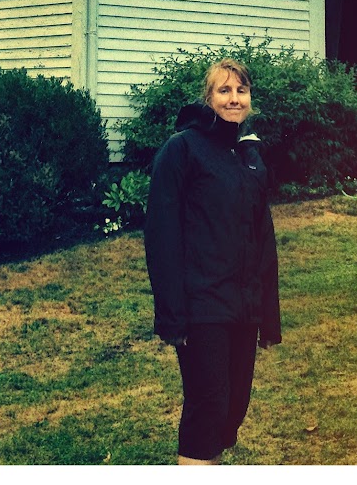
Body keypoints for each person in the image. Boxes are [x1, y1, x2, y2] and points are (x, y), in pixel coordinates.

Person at [144, 57, 281, 465]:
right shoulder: (182, 149)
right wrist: (172, 315)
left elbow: (263, 239)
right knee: (208, 407)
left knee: (233, 410)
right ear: (209, 98)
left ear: (250, 99)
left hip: (243, 305)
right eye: (224, 90)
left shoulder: (250, 155)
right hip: (201, 305)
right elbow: (162, 235)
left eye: (241, 90)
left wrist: (268, 315)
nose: (233, 98)